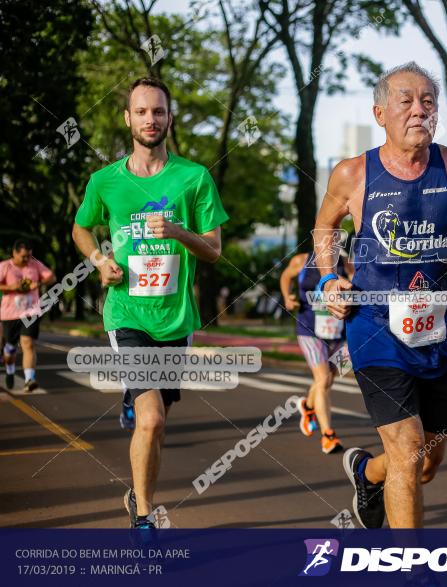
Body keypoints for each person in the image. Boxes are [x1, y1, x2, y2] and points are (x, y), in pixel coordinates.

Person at [312, 62, 447, 528]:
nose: (419, 110)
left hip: (437, 332)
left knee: (424, 462)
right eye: (406, 101)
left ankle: (366, 473)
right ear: (380, 113)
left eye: (428, 101)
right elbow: (326, 227)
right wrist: (328, 279)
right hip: (374, 327)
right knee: (405, 450)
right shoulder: (352, 174)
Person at [72, 77, 228, 529]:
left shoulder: (194, 177)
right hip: (126, 313)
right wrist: (100, 261)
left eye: (158, 111)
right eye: (141, 111)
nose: (150, 119)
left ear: (169, 118)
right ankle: (144, 517)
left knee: (156, 422)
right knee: (153, 419)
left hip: (176, 319)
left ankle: (137, 493)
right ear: (128, 119)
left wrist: (179, 232)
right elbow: (82, 228)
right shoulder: (105, 181)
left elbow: (214, 250)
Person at [279, 250, 353, 454]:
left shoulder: (344, 261)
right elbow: (286, 275)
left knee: (329, 378)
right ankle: (328, 435)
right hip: (309, 330)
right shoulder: (302, 260)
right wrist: (287, 297)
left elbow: (356, 284)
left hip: (340, 331)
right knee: (322, 380)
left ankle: (308, 406)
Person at [0, 240, 56, 392]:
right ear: (14, 253)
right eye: (24, 256)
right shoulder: (5, 266)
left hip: (31, 312)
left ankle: (29, 379)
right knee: (10, 348)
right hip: (9, 315)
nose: (27, 259)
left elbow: (51, 277)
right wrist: (11, 287)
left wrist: (38, 283)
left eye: (29, 256)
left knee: (28, 343)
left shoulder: (34, 265)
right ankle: (10, 370)